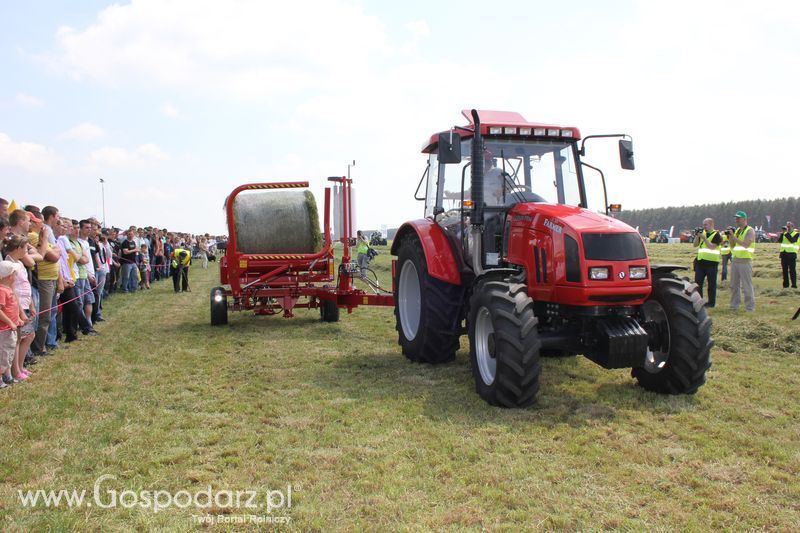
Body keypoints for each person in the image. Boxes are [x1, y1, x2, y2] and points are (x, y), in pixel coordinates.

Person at [0, 260, 25, 388]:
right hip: (4, 330)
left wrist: (17, 320)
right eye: (15, 275)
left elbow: (11, 309)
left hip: (10, 327)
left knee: (8, 353)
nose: (16, 277)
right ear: (10, 276)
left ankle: (6, 376)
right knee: (3, 355)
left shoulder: (8, 289)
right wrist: (10, 322)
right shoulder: (2, 291)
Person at [727, 211, 756, 312]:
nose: (736, 220)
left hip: (745, 261)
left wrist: (733, 237)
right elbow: (732, 245)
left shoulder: (750, 230)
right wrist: (730, 237)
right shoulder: (738, 230)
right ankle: (734, 306)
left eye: (738, 218)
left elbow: (746, 244)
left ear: (744, 219)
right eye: (736, 218)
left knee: (747, 286)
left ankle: (750, 308)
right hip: (735, 260)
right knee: (734, 285)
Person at [693, 218, 722, 307]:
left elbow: (712, 247)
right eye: (703, 224)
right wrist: (697, 236)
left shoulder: (717, 235)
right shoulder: (703, 234)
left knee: (711, 284)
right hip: (701, 263)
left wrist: (704, 238)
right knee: (698, 283)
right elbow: (695, 245)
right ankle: (699, 301)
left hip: (712, 264)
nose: (704, 226)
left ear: (711, 224)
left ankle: (711, 303)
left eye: (706, 224)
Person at [778, 221, 798, 289]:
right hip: (784, 254)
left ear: (792, 227)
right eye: (787, 227)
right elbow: (779, 241)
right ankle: (785, 286)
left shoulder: (796, 234)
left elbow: (792, 240)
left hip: (792, 255)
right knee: (784, 271)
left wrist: (786, 233)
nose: (787, 228)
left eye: (789, 227)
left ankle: (794, 285)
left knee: (792, 271)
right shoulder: (784, 234)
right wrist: (782, 233)